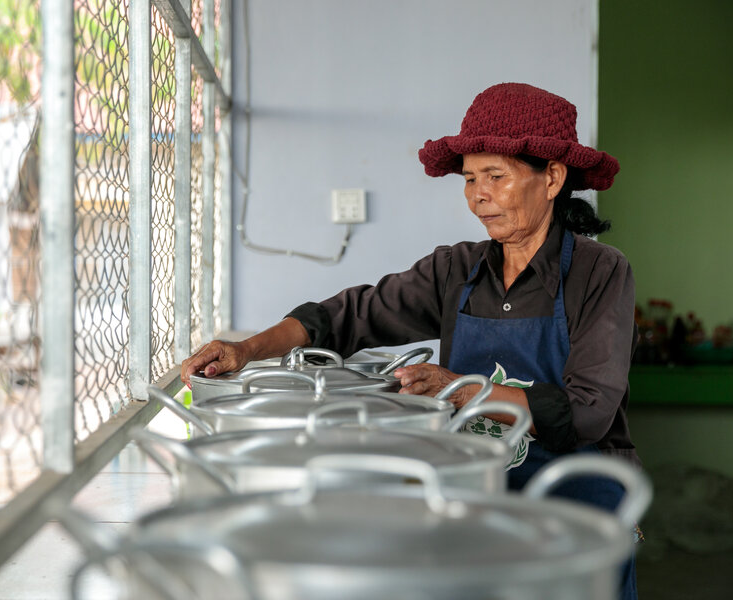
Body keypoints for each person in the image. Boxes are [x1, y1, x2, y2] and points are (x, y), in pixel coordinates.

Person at [180, 82, 641, 598]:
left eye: (495, 176)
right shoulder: (458, 269)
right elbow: (351, 315)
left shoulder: (600, 272)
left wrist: (461, 390)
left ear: (552, 178)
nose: (478, 195)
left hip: (574, 505)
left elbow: (588, 412)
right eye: (469, 179)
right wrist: (246, 350)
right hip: (477, 500)